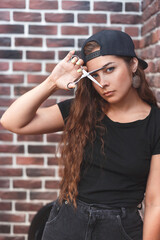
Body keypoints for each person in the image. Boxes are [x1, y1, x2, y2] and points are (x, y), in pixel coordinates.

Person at [1, 30, 160, 240]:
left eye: (110, 69)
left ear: (132, 65)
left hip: (119, 229)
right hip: (67, 222)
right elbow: (11, 121)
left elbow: (155, 201)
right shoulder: (82, 111)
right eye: (94, 75)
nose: (102, 83)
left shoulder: (155, 123)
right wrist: (52, 81)